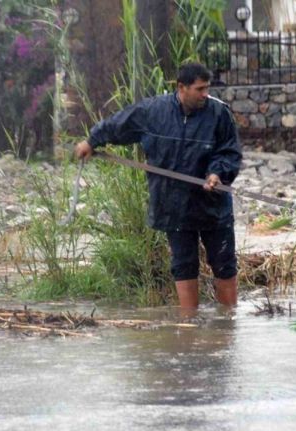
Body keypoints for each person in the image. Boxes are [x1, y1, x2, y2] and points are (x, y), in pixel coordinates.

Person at [74, 62, 242, 309]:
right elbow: (119, 125)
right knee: (183, 266)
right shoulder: (153, 111)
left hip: (213, 206)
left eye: (207, 88)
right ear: (181, 87)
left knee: (224, 264)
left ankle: (230, 322)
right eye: (199, 89)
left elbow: (229, 152)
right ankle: (189, 326)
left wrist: (217, 173)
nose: (205, 94)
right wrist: (91, 141)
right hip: (172, 204)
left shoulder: (219, 113)